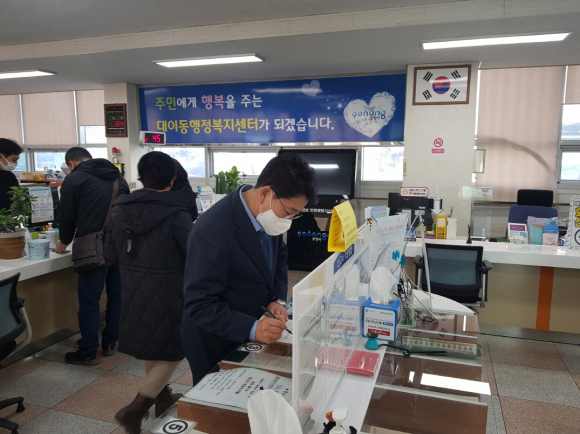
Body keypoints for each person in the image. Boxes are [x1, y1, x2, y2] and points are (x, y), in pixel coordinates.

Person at [182, 152, 317, 384]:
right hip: (216, 339)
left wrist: (277, 300)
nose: (289, 220)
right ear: (265, 193)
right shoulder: (212, 230)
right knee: (221, 400)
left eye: (296, 214)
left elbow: (278, 259)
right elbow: (199, 305)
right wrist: (253, 328)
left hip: (254, 330)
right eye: (289, 212)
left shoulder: (266, 215)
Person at [105, 152, 193, 434]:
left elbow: (110, 254)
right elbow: (193, 254)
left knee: (153, 343)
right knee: (175, 349)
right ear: (172, 179)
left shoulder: (118, 208)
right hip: (169, 290)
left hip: (131, 286)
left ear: (141, 177)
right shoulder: (177, 212)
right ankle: (135, 409)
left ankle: (161, 399)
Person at [56, 147, 129, 365]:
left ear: (71, 164)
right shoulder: (118, 178)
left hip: (92, 248)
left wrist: (64, 242)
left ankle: (88, 351)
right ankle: (110, 343)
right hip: (120, 246)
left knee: (89, 301)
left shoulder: (75, 179)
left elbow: (66, 216)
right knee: (116, 297)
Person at [0, 138, 22, 211]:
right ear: (1, 157)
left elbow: (14, 200)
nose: (16, 163)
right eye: (14, 160)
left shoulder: (9, 176)